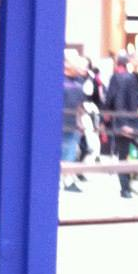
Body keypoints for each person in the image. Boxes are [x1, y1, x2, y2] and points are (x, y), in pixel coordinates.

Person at [104, 53, 138, 198]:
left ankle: (127, 184)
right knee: (127, 154)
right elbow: (116, 99)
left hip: (133, 121)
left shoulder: (135, 77)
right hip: (126, 122)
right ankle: (125, 187)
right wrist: (123, 123)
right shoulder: (121, 77)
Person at [61, 53, 86, 193]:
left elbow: (80, 105)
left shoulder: (79, 81)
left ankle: (68, 181)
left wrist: (80, 122)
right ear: (66, 64)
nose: (79, 66)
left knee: (70, 154)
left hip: (73, 125)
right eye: (76, 62)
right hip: (58, 126)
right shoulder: (57, 80)